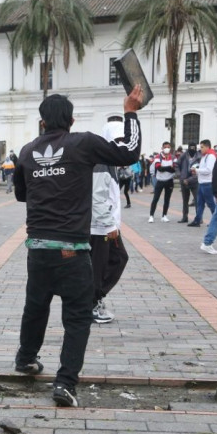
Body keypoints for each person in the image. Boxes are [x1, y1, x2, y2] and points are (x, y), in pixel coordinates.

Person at [13, 87, 143, 407]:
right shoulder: (82, 143)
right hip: (72, 250)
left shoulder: (28, 151)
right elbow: (129, 153)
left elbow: (20, 194)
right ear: (71, 120)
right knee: (77, 317)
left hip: (38, 249)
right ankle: (65, 382)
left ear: (42, 122)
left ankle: (25, 358)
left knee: (36, 306)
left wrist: (47, 181)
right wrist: (130, 112)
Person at [90, 121, 130, 324]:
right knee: (99, 267)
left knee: (119, 258)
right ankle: (92, 303)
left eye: (124, 141)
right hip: (99, 227)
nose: (121, 145)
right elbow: (96, 198)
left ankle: (91, 298)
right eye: (117, 140)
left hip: (107, 225)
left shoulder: (111, 162)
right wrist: (108, 225)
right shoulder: (101, 162)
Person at [188, 140, 217, 227]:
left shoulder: (211, 156)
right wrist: (196, 169)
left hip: (208, 183)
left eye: (202, 147)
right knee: (199, 203)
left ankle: (216, 220)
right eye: (200, 147)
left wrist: (196, 170)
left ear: (207, 147)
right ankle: (197, 220)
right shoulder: (204, 156)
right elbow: (202, 168)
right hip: (202, 182)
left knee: (211, 203)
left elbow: (208, 170)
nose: (200, 149)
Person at [148, 142, 176, 222]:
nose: (167, 148)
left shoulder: (173, 157)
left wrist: (165, 168)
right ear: (162, 148)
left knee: (167, 199)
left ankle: (164, 215)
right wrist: (169, 168)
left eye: (168, 147)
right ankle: (151, 216)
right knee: (155, 198)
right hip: (160, 181)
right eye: (165, 147)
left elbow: (174, 169)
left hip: (169, 181)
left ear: (170, 148)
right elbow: (159, 168)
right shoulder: (158, 157)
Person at [177, 143, 200, 223]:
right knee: (185, 201)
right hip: (184, 181)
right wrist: (180, 175)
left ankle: (199, 217)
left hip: (194, 182)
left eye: (194, 148)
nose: (192, 149)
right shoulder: (183, 155)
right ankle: (184, 217)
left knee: (197, 201)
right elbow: (177, 165)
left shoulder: (199, 157)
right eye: (191, 147)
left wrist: (189, 180)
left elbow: (199, 171)